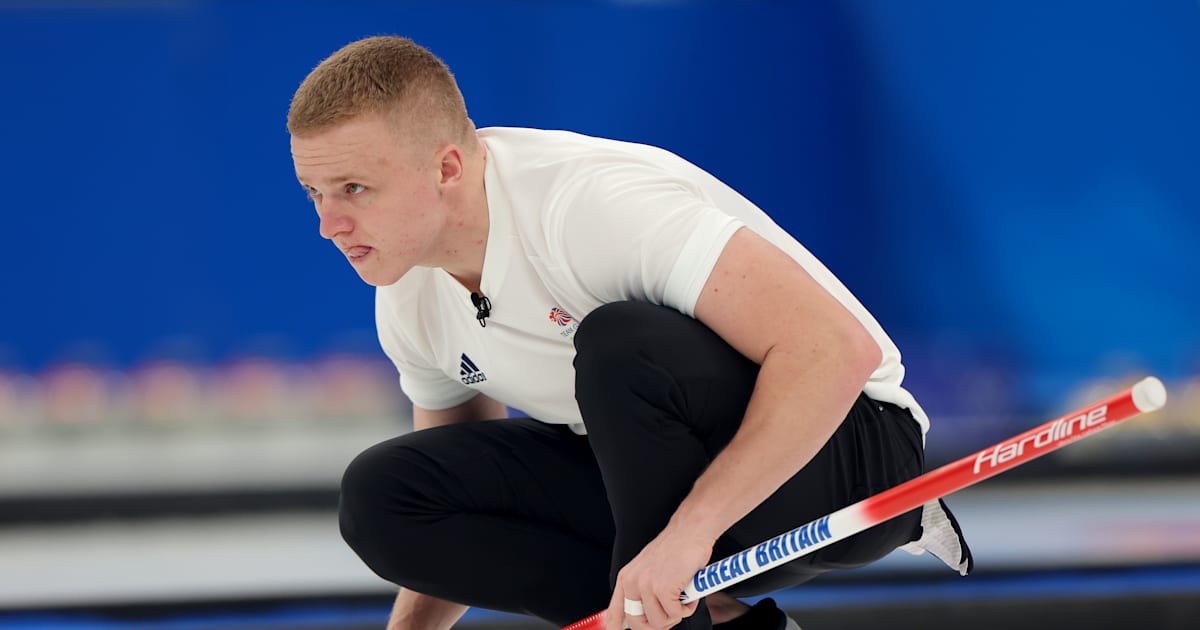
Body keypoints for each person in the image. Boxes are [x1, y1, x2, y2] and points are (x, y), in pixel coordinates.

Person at [287, 36, 971, 630]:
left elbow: (834, 350)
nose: (327, 225)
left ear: (446, 169)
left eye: (353, 189)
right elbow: (462, 488)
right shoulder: (407, 288)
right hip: (660, 494)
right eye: (313, 193)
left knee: (621, 345)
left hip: (845, 453)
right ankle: (719, 625)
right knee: (387, 495)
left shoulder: (586, 207)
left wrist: (687, 538)